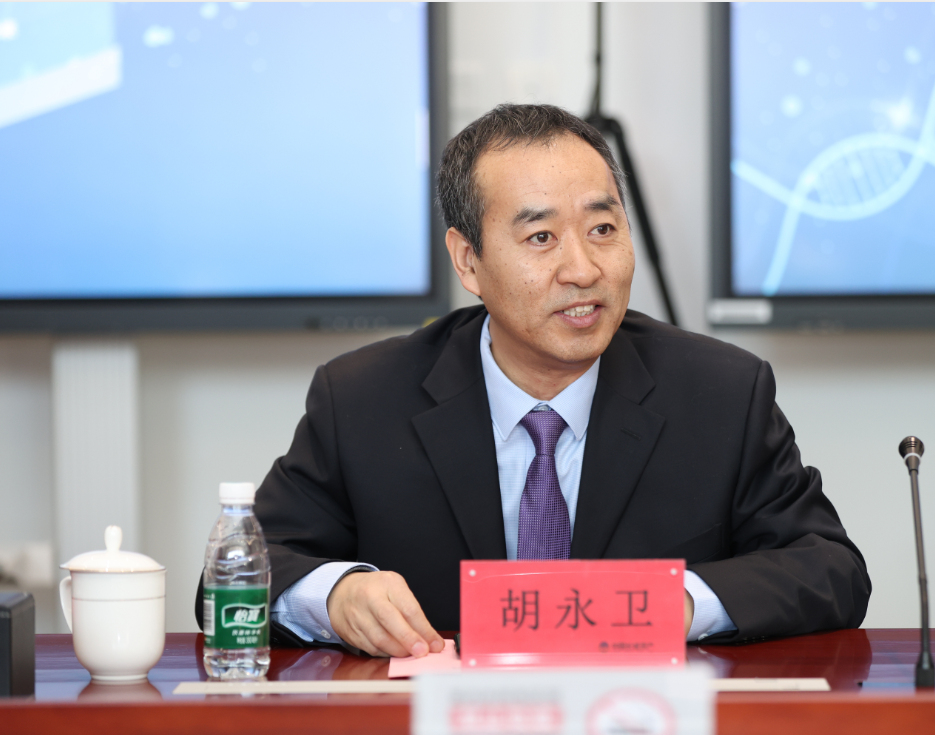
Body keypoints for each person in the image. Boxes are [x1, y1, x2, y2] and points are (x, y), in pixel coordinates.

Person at [195, 104, 870, 658]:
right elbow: (233, 579)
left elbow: (829, 567)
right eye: (541, 238)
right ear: (468, 260)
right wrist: (336, 596)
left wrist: (680, 603)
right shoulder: (363, 399)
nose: (583, 269)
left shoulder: (722, 393)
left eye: (602, 228)